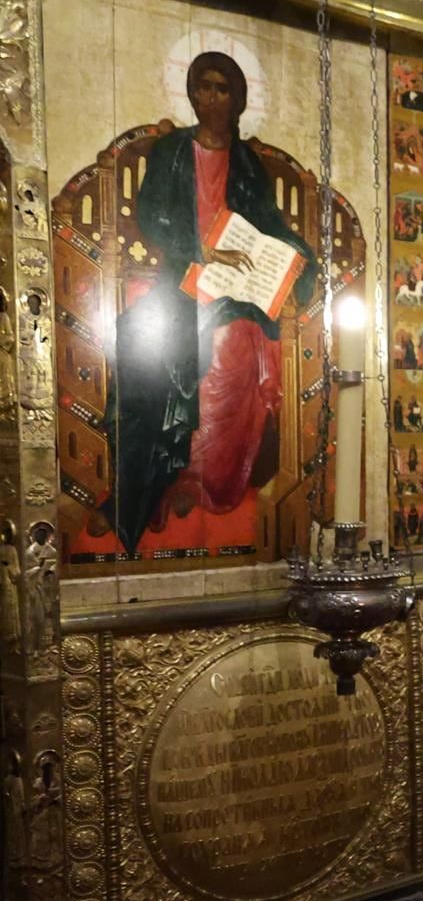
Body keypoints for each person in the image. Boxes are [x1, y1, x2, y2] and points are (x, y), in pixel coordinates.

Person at [99, 51, 316, 555]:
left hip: (236, 284)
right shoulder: (172, 150)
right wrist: (201, 249)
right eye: (204, 87)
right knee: (164, 349)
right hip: (185, 276)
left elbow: (268, 225)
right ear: (193, 94)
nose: (212, 98)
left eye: (223, 89)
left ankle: (219, 485)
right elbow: (151, 214)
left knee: (239, 344)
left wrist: (294, 257)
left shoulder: (246, 163)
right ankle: (167, 486)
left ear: (238, 100)